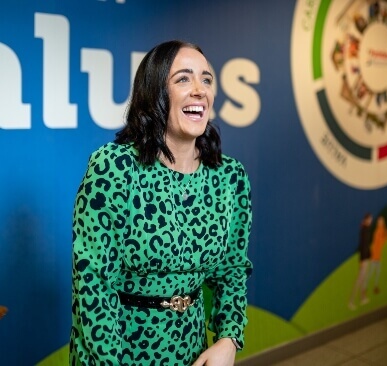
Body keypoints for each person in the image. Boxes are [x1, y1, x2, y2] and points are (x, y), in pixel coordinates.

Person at [70, 40, 253, 366]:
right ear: (155, 92)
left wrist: (228, 339)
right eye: (183, 78)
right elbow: (93, 284)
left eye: (206, 79)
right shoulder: (113, 168)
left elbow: (232, 271)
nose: (200, 90)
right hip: (119, 352)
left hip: (193, 351)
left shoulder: (230, 178)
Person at [348, 213, 373, 310]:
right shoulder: (364, 230)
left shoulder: (366, 229)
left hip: (366, 258)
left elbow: (367, 245)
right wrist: (362, 260)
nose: (371, 221)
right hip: (364, 259)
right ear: (366, 220)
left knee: (363, 279)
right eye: (370, 219)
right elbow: (362, 246)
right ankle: (351, 301)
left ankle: (362, 298)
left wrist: (369, 256)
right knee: (359, 280)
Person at [369, 216, 387, 294]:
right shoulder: (377, 231)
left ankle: (375, 286)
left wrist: (386, 235)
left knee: (378, 271)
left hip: (378, 255)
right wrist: (386, 235)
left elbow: (383, 241)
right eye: (380, 222)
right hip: (375, 254)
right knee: (372, 271)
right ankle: (365, 286)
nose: (381, 223)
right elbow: (381, 242)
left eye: (382, 221)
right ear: (378, 223)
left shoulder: (382, 230)